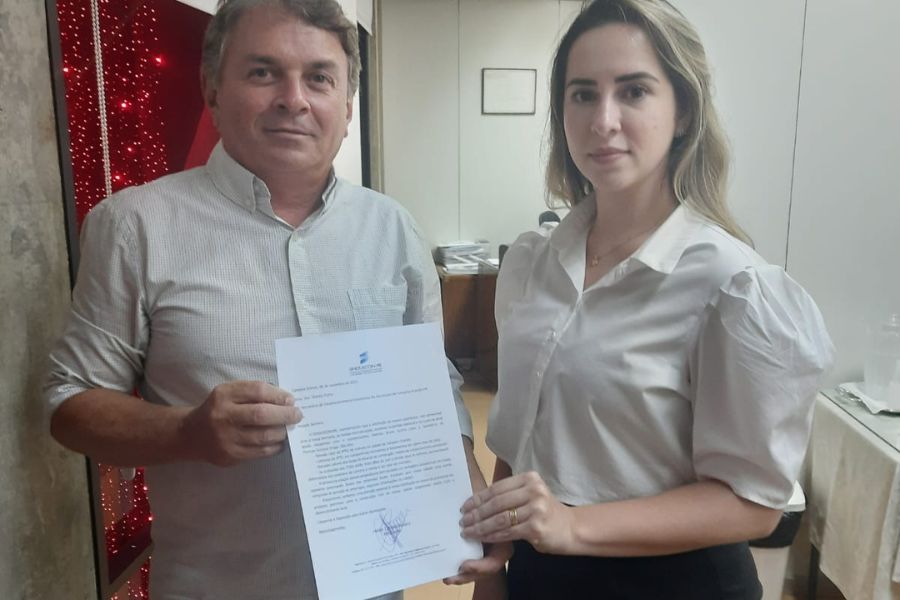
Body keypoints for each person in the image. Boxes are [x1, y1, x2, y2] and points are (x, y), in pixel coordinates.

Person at [44, 1, 486, 598]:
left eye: (319, 78)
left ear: (347, 106)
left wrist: (464, 480)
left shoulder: (393, 229)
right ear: (212, 89)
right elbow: (70, 403)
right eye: (263, 72)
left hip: (374, 584)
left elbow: (433, 378)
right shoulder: (135, 227)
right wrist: (188, 432)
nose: (293, 99)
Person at [450, 1, 834, 598]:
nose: (603, 120)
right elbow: (524, 434)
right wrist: (498, 560)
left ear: (683, 112)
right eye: (583, 94)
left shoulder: (731, 286)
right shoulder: (534, 264)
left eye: (633, 91)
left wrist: (573, 525)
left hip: (671, 582)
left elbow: (756, 504)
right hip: (538, 572)